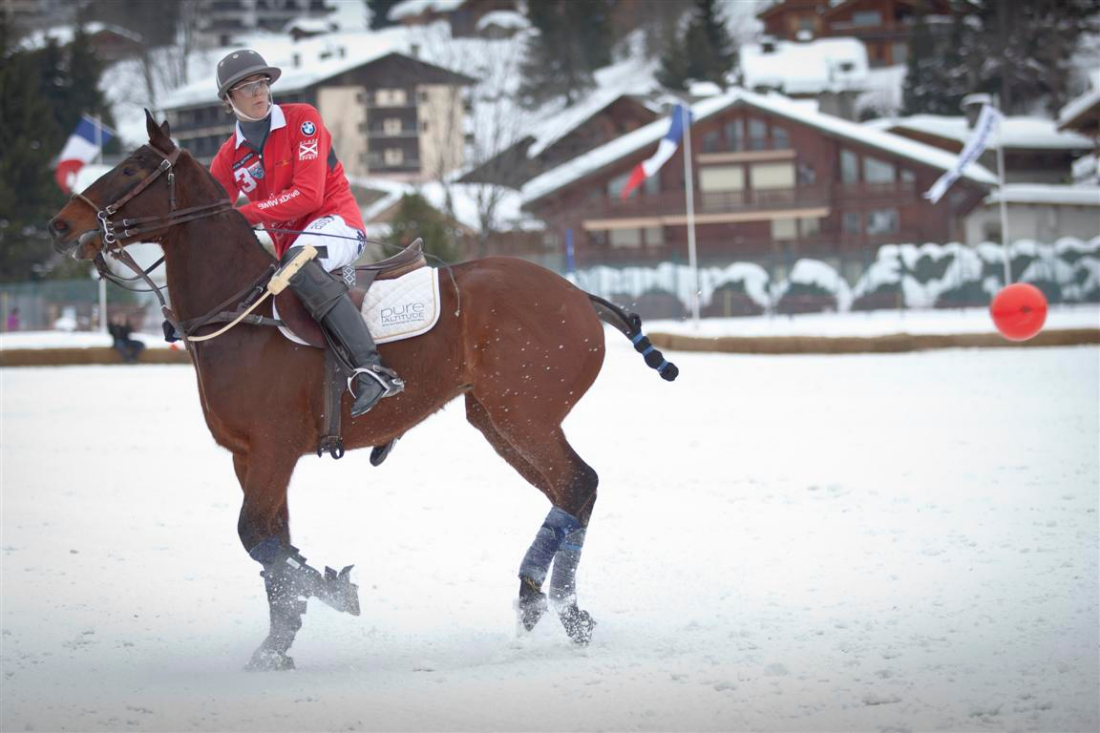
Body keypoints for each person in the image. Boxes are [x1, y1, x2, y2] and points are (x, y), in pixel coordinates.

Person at [209, 49, 403, 418]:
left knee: (297, 264)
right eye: (247, 87)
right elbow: (211, 216)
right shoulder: (228, 157)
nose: (259, 92)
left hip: (338, 225)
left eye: (262, 82)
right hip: (290, 250)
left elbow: (307, 195)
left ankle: (372, 370)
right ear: (228, 100)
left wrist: (244, 216)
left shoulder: (304, 120)